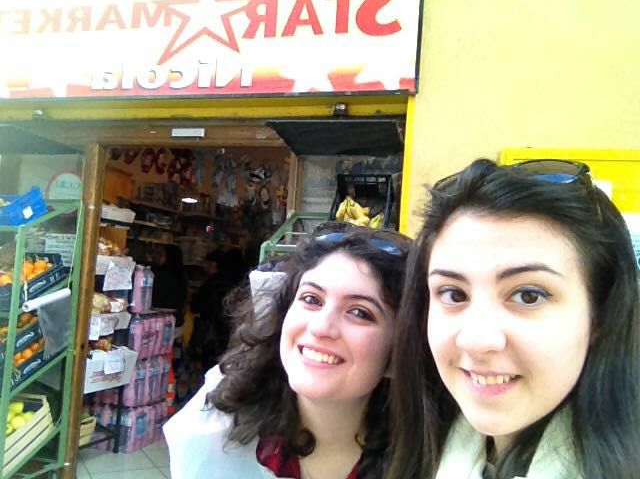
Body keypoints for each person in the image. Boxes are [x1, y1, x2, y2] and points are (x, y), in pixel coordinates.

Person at [389, 159, 640, 479]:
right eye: (453, 294)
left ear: (600, 313)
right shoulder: (426, 454)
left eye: (528, 295)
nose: (476, 340)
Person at [164, 223, 411, 478]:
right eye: (311, 299)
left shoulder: (427, 462)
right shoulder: (213, 441)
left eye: (359, 312)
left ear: (398, 353)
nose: (320, 327)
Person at [190, 250, 235, 371]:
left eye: (207, 263)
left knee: (208, 365)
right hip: (226, 332)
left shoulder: (210, 284)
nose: (204, 266)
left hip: (209, 331)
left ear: (214, 265)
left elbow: (196, 306)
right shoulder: (231, 283)